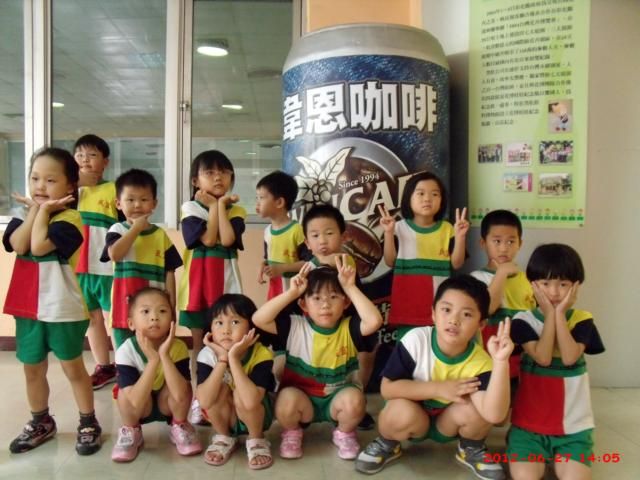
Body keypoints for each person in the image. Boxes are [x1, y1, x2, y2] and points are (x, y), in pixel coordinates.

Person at [355, 275, 512, 480]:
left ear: (481, 324)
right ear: (433, 314)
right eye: (446, 310)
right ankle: (388, 442)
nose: (454, 320)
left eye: (466, 314)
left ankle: (471, 447)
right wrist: (439, 389)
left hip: (448, 422)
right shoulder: (415, 341)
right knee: (397, 410)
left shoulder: (481, 362)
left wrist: (501, 362)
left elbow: (495, 415)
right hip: (414, 416)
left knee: (478, 409)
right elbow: (387, 388)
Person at [3, 147, 102, 455]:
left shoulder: (72, 219)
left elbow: (39, 246)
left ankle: (88, 422)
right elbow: (19, 247)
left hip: (63, 309)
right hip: (27, 309)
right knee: (33, 369)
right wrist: (35, 210)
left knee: (74, 369)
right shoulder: (21, 217)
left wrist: (42, 212)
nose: (40, 187)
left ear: (70, 187)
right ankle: (40, 421)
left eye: (50, 180)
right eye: (35, 178)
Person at [253, 256, 383, 460]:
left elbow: (375, 321)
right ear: (303, 304)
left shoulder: (349, 327)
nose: (325, 305)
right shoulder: (294, 326)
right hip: (302, 399)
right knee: (285, 401)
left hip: (336, 398)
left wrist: (350, 287)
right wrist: (291, 293)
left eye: (333, 297)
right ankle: (292, 432)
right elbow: (258, 319)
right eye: (316, 298)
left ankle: (344, 433)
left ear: (345, 302)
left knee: (355, 400)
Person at [507, 244, 604, 480]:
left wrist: (558, 314)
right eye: (545, 283)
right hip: (528, 428)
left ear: (576, 286)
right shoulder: (523, 320)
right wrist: (551, 315)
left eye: (563, 284)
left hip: (573, 429)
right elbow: (543, 356)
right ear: (532, 284)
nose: (554, 292)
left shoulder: (583, 319)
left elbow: (570, 357)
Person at [177, 150, 246, 424]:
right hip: (197, 287)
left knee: (229, 343)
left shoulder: (237, 209)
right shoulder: (190, 208)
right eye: (209, 172)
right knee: (199, 344)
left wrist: (218, 207)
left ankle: (227, 395)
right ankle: (200, 399)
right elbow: (206, 240)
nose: (217, 177)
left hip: (227, 287)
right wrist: (216, 207)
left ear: (231, 176)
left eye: (223, 171)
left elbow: (227, 239)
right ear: (196, 180)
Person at [301, 203, 377, 430]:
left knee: (366, 352)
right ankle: (312, 403)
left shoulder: (345, 260)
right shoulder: (307, 268)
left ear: (343, 236)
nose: (322, 241)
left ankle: (358, 403)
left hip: (352, 322)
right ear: (307, 242)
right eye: (315, 235)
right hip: (321, 326)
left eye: (329, 233)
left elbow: (329, 262)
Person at [111, 287, 202, 462]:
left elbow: (180, 394)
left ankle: (180, 425)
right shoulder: (126, 350)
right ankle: (131, 430)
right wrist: (153, 361)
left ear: (172, 320)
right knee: (124, 394)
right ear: (131, 323)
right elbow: (135, 401)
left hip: (166, 403)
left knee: (184, 387)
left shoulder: (178, 347)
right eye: (145, 311)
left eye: (162, 311)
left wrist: (164, 356)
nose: (154, 317)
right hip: (140, 405)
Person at [100, 169, 182, 349]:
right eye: (130, 200)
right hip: (124, 308)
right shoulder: (117, 229)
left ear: (154, 204)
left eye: (144, 200)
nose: (137, 205)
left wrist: (172, 306)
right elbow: (115, 254)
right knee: (125, 355)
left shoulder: (160, 235)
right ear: (118, 204)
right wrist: (135, 229)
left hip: (155, 312)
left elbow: (170, 272)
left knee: (155, 354)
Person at [379, 171, 469, 331]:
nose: (427, 199)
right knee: (407, 351)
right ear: (408, 198)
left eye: (435, 194)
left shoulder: (448, 229)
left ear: (441, 200)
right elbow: (390, 261)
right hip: (408, 305)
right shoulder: (398, 228)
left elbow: (457, 264)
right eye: (420, 193)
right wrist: (387, 232)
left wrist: (461, 236)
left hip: (439, 307)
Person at [196, 294, 275, 469]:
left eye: (235, 322)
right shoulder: (207, 355)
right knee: (217, 389)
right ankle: (224, 437)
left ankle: (256, 439)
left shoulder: (261, 353)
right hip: (227, 416)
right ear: (210, 329)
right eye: (219, 323)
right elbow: (204, 401)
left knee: (242, 393)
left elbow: (251, 401)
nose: (226, 330)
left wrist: (233, 358)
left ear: (251, 328)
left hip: (258, 415)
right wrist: (222, 360)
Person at [73, 134, 122, 390]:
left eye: (92, 155)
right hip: (79, 268)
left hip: (107, 267)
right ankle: (104, 366)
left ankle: (125, 366)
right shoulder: (70, 190)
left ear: (105, 162)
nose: (85, 160)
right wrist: (74, 184)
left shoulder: (113, 189)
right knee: (92, 318)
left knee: (112, 317)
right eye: (80, 155)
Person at [471, 210, 535, 399]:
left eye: (511, 241)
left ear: (520, 244)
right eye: (497, 241)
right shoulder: (477, 279)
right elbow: (488, 308)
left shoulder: (528, 280)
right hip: (490, 356)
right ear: (484, 243)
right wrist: (501, 274)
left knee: (520, 400)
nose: (504, 248)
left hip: (522, 356)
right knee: (495, 405)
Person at [255, 170, 308, 300]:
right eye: (257, 198)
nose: (257, 203)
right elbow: (269, 258)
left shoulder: (297, 230)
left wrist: (283, 268)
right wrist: (264, 265)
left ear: (279, 202)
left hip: (295, 291)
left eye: (261, 197)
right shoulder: (268, 231)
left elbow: (309, 263)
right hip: (275, 289)